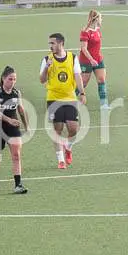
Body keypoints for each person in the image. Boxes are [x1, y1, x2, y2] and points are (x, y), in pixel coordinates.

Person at [39, 33, 87, 169]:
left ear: (61, 43)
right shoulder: (46, 59)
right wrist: (47, 67)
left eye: (52, 43)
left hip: (69, 98)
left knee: (73, 129)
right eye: (50, 44)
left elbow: (78, 76)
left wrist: (82, 93)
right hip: (53, 98)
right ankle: (61, 160)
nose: (50, 46)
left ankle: (68, 147)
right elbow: (42, 80)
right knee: (57, 129)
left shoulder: (72, 58)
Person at [0, 66, 29, 194]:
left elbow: (21, 110)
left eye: (14, 79)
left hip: (13, 127)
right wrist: (9, 120)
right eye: (10, 79)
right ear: (3, 79)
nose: (12, 82)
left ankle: (18, 184)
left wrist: (26, 125)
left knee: (16, 155)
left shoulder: (17, 93)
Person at [79, 10, 110, 108]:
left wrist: (96, 58)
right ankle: (68, 99)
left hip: (98, 59)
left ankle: (104, 104)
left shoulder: (97, 29)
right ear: (96, 19)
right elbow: (84, 48)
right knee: (83, 83)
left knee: (101, 79)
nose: (102, 19)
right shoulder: (85, 31)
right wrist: (91, 60)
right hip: (86, 61)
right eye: (100, 18)